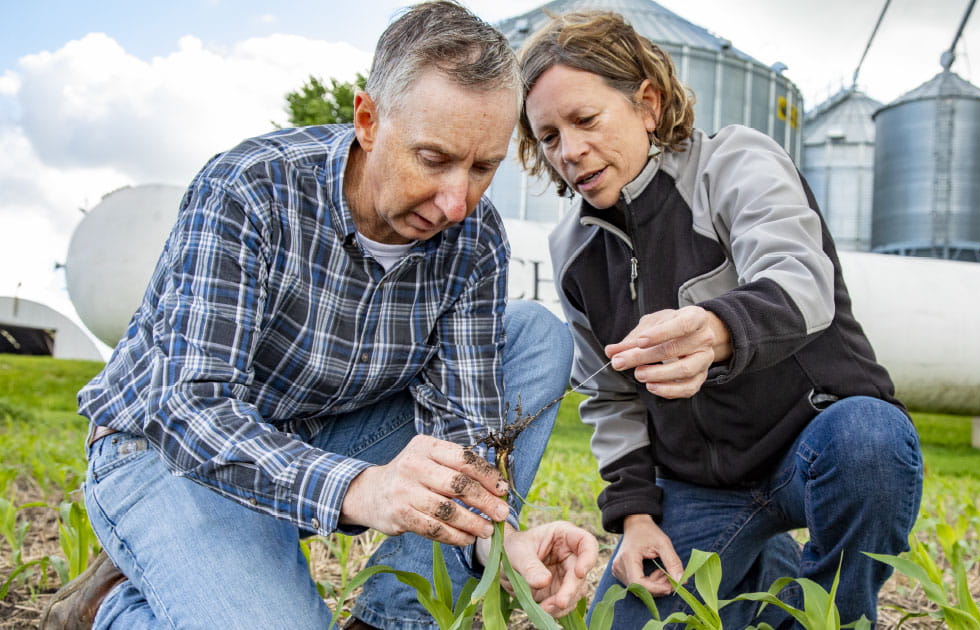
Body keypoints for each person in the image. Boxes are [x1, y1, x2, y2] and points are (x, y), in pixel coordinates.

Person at [41, 3, 598, 629]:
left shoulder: (474, 242)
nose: (457, 202)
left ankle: (391, 616)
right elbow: (188, 405)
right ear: (368, 120)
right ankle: (110, 608)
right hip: (166, 451)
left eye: (483, 168)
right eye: (434, 159)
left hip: (323, 435)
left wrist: (490, 541)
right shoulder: (253, 188)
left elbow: (466, 433)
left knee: (534, 338)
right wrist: (363, 489)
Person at [516, 10, 924, 628]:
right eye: (548, 137)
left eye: (586, 120)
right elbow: (610, 397)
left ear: (647, 104)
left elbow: (800, 279)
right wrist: (636, 517)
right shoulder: (573, 251)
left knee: (873, 441)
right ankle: (765, 575)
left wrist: (716, 329)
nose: (570, 152)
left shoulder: (734, 163)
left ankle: (834, 617)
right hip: (700, 487)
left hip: (813, 441)